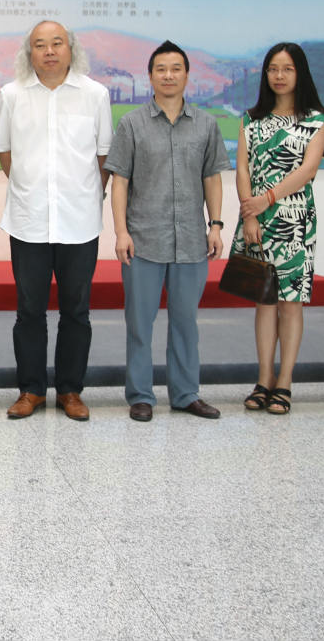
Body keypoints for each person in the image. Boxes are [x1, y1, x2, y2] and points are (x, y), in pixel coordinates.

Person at [0, 21, 112, 422]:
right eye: (40, 45)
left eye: (56, 43)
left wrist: (84, 194)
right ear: (29, 53)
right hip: (29, 220)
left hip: (79, 221)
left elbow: (103, 155)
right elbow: (5, 152)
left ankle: (70, 391)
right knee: (29, 310)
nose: (49, 51)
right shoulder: (11, 94)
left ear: (70, 48)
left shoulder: (95, 94)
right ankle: (31, 390)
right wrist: (30, 187)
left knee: (77, 310)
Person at [108, 41, 230, 422]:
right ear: (150, 76)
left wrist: (215, 225)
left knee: (185, 323)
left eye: (176, 68)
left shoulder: (206, 124)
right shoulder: (132, 123)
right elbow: (120, 181)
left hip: (191, 240)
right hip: (143, 240)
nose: (168, 75)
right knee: (139, 324)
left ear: (187, 75)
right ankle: (141, 395)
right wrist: (121, 232)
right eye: (161, 69)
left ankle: (186, 394)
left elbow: (212, 178)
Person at [232, 42, 324, 416]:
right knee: (264, 302)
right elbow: (243, 168)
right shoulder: (250, 119)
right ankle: (263, 379)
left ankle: (285, 382)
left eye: (287, 69)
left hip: (295, 221)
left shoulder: (318, 119)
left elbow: (308, 170)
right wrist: (250, 213)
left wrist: (266, 199)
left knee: (291, 304)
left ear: (300, 73)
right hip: (256, 221)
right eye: (273, 68)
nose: (279, 75)